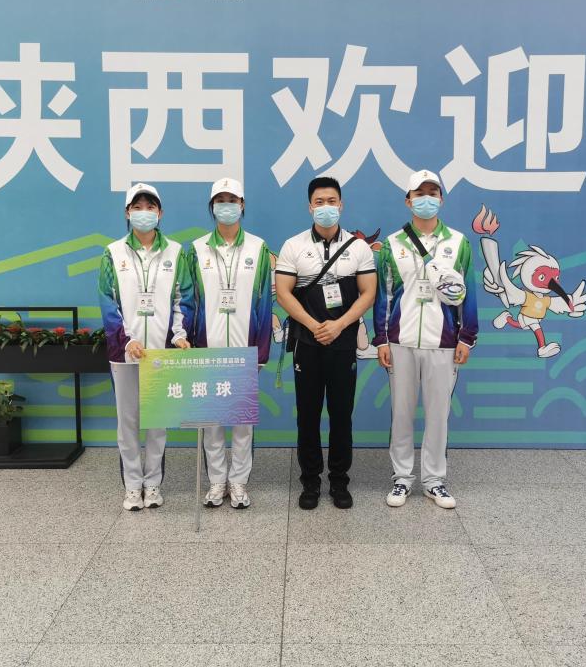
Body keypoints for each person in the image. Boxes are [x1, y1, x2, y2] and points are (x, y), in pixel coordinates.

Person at [372, 169, 478, 509]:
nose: (426, 199)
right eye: (420, 194)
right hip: (401, 341)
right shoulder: (392, 244)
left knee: (438, 414)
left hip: (443, 342)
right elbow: (384, 295)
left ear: (441, 199)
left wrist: (466, 337)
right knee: (401, 413)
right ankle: (402, 478)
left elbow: (468, 293)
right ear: (408, 201)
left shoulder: (458, 243)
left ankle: (434, 480)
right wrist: (381, 339)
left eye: (433, 193)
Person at [275, 176, 377, 510]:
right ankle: (310, 481)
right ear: (310, 207)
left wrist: (339, 325)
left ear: (341, 205)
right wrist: (313, 325)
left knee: (341, 414)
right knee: (307, 415)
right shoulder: (293, 246)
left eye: (332, 201)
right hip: (306, 343)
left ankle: (339, 481)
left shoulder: (359, 248)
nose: (326, 207)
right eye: (319, 202)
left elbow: (368, 293)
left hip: (343, 343)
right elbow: (284, 293)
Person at [181, 178, 273, 509]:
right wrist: (188, 341)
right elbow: (189, 301)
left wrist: (260, 352)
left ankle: (239, 482)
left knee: (243, 423)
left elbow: (264, 303)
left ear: (242, 204)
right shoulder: (196, 250)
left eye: (232, 199)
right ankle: (217, 481)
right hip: (208, 347)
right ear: (212, 207)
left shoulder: (258, 248)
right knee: (212, 421)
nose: (226, 206)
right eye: (220, 200)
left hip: (245, 348)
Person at [99, 182, 191, 511]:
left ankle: (152, 484)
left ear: (160, 213)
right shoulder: (113, 253)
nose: (144, 213)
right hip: (124, 354)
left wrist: (178, 334)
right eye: (137, 207)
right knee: (127, 423)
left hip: (161, 353)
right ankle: (132, 485)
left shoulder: (176, 252)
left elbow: (184, 298)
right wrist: (127, 340)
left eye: (150, 207)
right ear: (127, 213)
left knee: (157, 421)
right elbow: (108, 302)